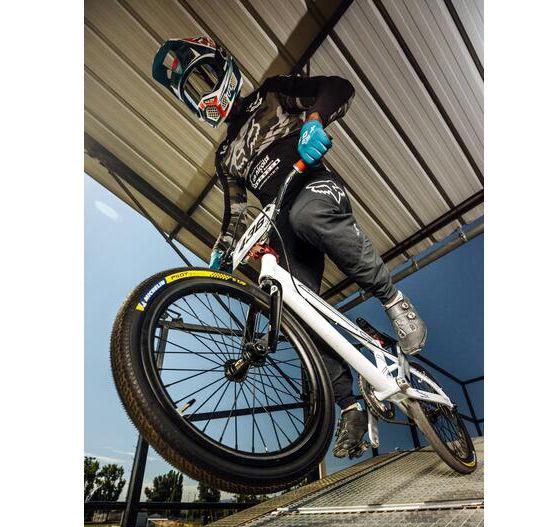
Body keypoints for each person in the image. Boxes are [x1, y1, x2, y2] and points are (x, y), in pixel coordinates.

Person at [152, 37, 427, 459]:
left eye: (203, 77)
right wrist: (221, 250)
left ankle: (393, 299)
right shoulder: (225, 156)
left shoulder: (273, 92)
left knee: (306, 216)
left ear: (224, 68)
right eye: (191, 90)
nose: (202, 93)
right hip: (278, 219)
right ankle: (350, 407)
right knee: (294, 307)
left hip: (313, 186)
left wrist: (314, 121)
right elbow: (235, 211)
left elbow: (337, 88)